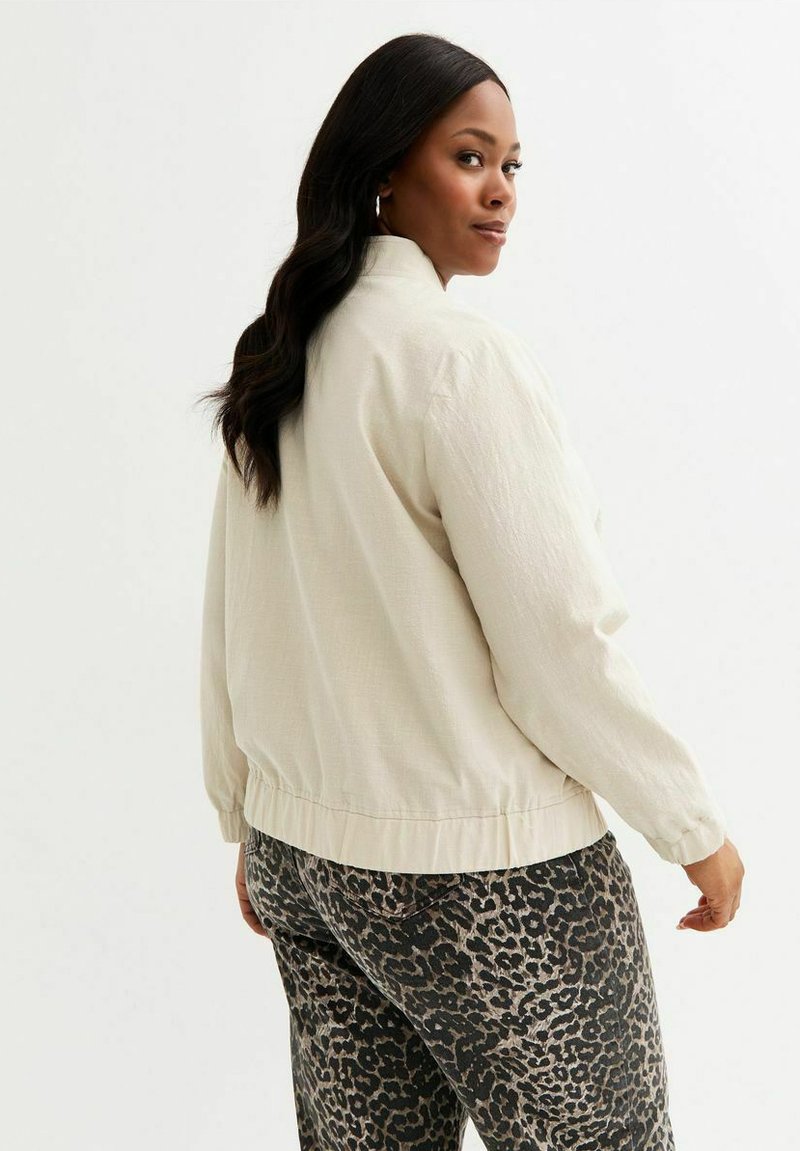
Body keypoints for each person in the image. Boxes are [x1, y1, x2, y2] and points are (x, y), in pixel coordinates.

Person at [198, 33, 745, 1151]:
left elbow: (236, 613)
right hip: (486, 873)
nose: (500, 190)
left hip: (312, 861)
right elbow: (555, 643)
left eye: (510, 164)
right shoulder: (455, 359)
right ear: (382, 173)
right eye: (467, 157)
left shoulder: (283, 352)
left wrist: (246, 813)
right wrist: (689, 824)